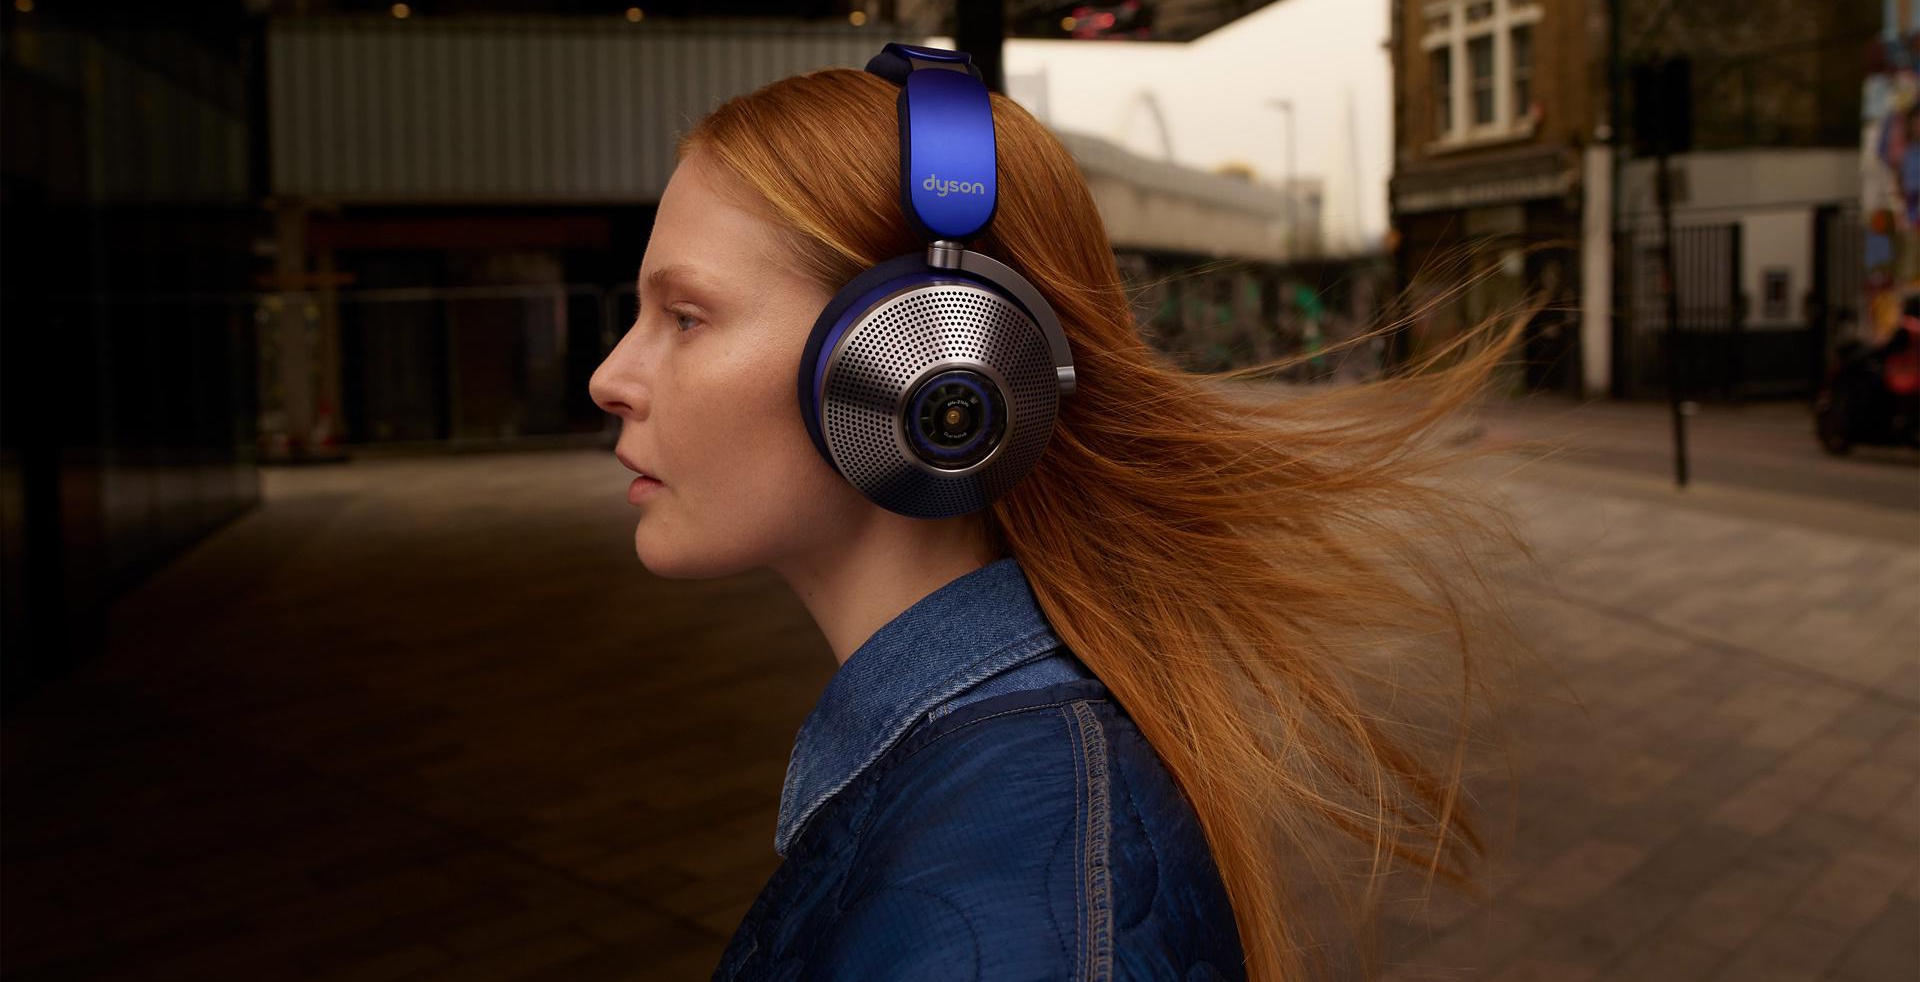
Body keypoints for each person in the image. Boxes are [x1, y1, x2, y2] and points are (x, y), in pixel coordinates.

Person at [589, 65, 1536, 982]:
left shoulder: (1022, 910)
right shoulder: (1009, 790)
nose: (611, 377)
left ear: (932, 351)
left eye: (684, 315)